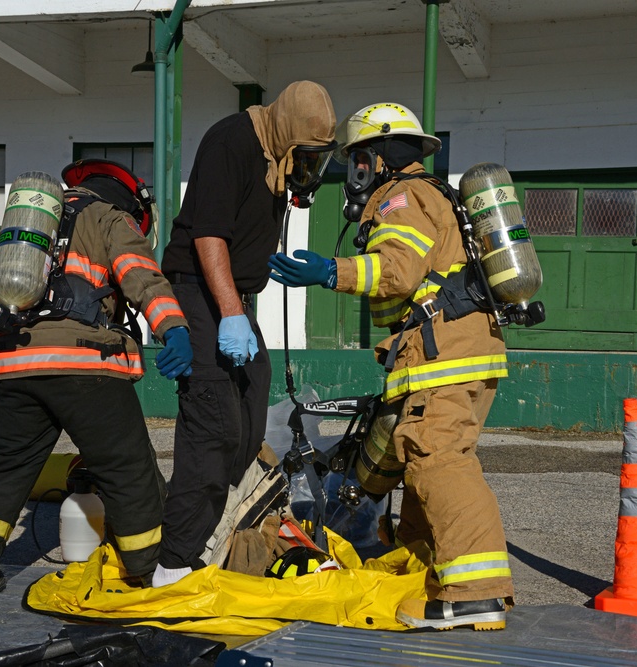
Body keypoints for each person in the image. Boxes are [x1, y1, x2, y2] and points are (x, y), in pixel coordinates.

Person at [268, 102, 514, 630]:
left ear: (376, 160)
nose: (353, 175)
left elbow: (398, 272)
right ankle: (427, 573)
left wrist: (328, 271)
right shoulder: (434, 195)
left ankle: (476, 593)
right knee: (420, 457)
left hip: (441, 353)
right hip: (461, 352)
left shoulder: (400, 198)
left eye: (357, 161)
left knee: (438, 459)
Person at [0, 159, 193, 602]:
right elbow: (140, 276)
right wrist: (174, 328)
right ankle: (148, 571)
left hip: (15, 364)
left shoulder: (26, 231)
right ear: (129, 201)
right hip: (84, 365)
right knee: (125, 466)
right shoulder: (108, 217)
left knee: (7, 465)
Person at [154, 80, 337, 587]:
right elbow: (209, 235)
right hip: (202, 294)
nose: (310, 169)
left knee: (252, 410)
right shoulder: (232, 141)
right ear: (286, 132)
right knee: (213, 428)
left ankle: (214, 531)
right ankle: (173, 566)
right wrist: (232, 313)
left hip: (235, 296)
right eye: (308, 156)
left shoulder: (274, 159)